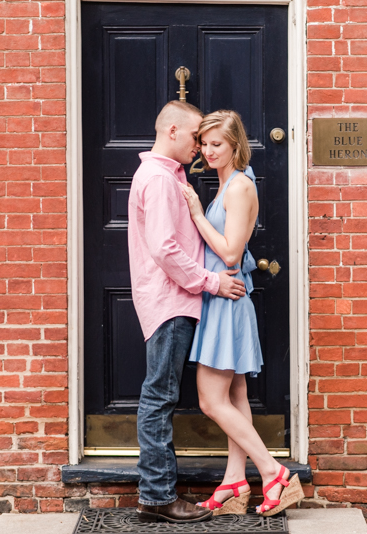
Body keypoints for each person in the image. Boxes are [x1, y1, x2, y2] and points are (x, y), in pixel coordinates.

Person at [179, 110, 305, 516]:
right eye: (206, 144)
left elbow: (232, 252)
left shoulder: (238, 188)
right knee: (234, 396)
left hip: (227, 302)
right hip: (224, 298)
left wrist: (197, 214)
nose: (210, 151)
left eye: (218, 144)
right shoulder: (228, 184)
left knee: (210, 401)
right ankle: (234, 481)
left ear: (235, 144)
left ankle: (274, 473)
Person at [127, 101, 247, 524]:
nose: (199, 146)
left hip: (176, 299)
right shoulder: (159, 180)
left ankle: (157, 493)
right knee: (158, 396)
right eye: (195, 137)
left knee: (161, 394)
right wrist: (212, 282)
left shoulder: (168, 176)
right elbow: (164, 248)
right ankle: (157, 496)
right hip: (171, 301)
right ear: (173, 131)